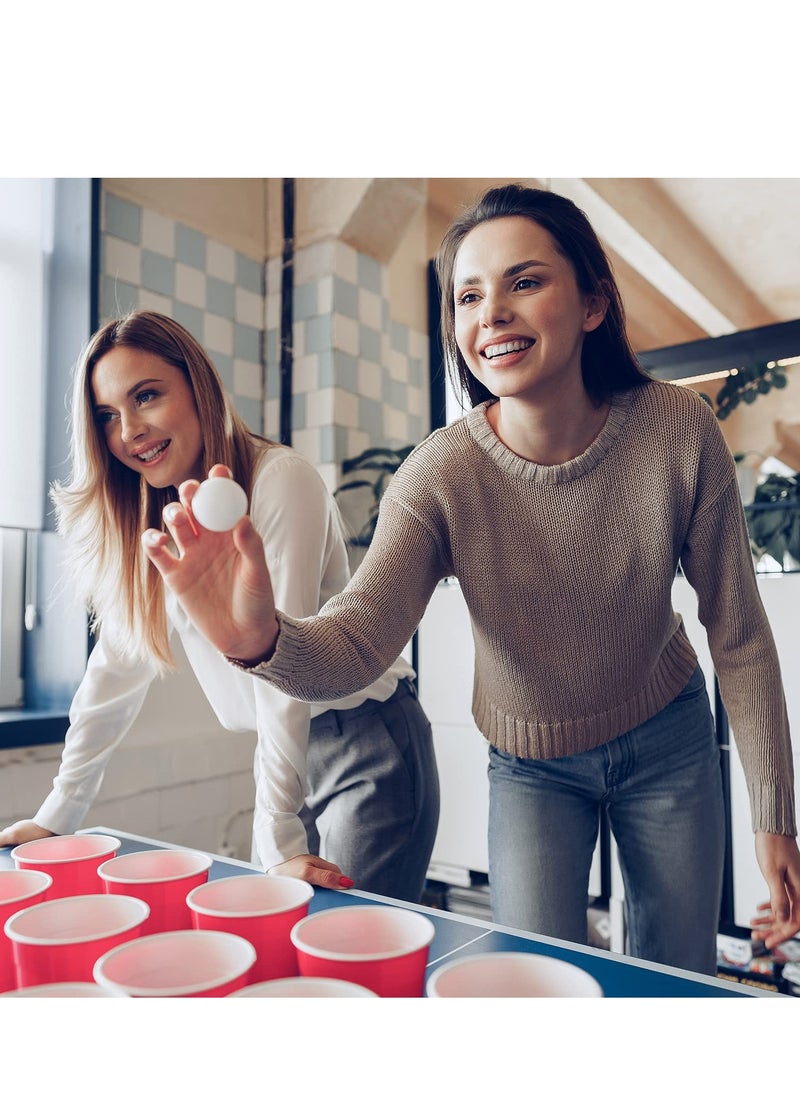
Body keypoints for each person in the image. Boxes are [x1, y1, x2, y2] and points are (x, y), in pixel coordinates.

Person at [140, 185, 800, 976]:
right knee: (531, 981)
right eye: (469, 295)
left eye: (524, 282)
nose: (492, 313)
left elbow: (739, 633)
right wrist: (260, 639)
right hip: (533, 767)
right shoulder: (439, 476)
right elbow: (356, 641)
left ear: (593, 303)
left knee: (673, 974)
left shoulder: (676, 430)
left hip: (670, 741)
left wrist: (774, 815)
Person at [0, 311, 440, 903]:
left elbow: (284, 677)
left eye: (147, 396)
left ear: (197, 386)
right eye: (107, 416)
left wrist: (277, 837)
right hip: (286, 751)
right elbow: (115, 671)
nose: (129, 430)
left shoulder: (280, 480)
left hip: (364, 740)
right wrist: (60, 811)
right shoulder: (155, 518)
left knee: (350, 952)